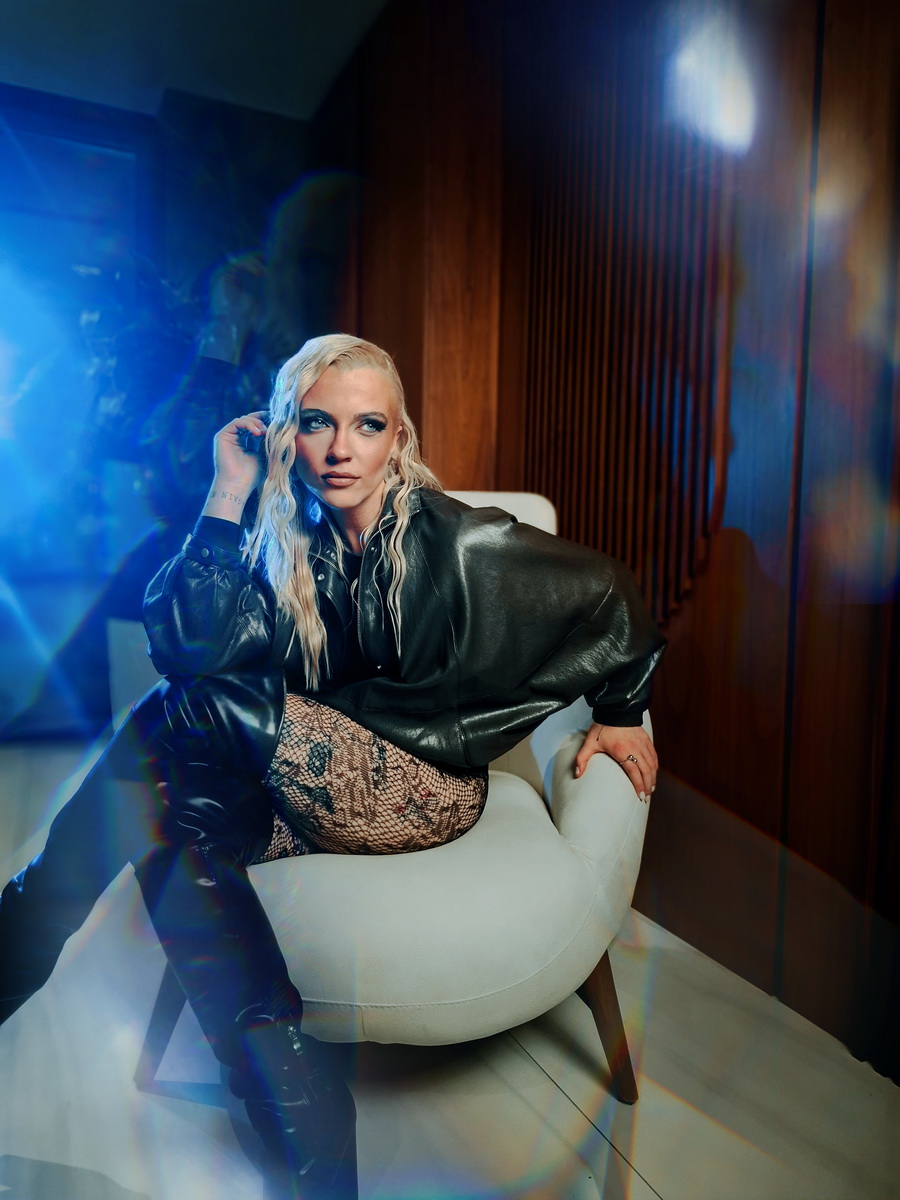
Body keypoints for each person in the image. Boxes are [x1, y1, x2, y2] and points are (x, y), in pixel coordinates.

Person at [0, 334, 665, 1199]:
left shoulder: (457, 542)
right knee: (170, 810)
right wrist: (229, 490)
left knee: (178, 713)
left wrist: (621, 711)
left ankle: (24, 933)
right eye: (317, 424)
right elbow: (190, 643)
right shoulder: (283, 542)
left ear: (398, 438)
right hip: (306, 790)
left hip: (420, 791)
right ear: (287, 434)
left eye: (367, 425)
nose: (342, 448)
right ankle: (310, 1133)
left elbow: (613, 594)